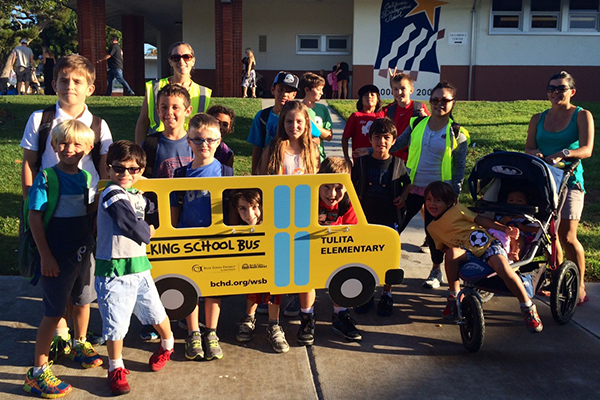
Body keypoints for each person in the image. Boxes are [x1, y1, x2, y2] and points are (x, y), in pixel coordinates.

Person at [20, 54, 114, 364]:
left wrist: (100, 213)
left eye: (77, 81)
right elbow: (28, 163)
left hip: (85, 214)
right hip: (50, 211)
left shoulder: (99, 126)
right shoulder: (41, 119)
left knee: (82, 283)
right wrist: (30, 202)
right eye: (63, 80)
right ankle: (59, 336)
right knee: (55, 280)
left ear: (90, 87)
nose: (69, 86)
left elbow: (103, 169)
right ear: (53, 84)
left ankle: (80, 340)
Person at [355, 81, 469, 290]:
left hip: (439, 192)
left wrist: (455, 193)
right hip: (411, 187)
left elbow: (459, 167)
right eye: (435, 99)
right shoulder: (417, 124)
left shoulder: (457, 133)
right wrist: (370, 151)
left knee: (434, 234)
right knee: (392, 229)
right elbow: (396, 144)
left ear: (453, 103)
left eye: (445, 100)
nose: (439, 104)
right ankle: (380, 269)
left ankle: (436, 270)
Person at [23, 120, 103, 399]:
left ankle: (79, 343)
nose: (69, 149)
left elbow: (84, 210)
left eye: (77, 144)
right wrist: (46, 256)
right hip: (56, 254)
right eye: (63, 143)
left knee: (83, 300)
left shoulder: (85, 178)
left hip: (82, 251)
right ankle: (38, 372)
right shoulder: (46, 177)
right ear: (54, 145)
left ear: (89, 148)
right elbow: (35, 217)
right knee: (54, 311)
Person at [95, 141, 174, 395]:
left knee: (156, 313)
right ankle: (115, 367)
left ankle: (167, 345)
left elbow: (155, 214)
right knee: (116, 324)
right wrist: (148, 230)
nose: (126, 174)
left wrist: (152, 219)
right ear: (109, 169)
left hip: (140, 267)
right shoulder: (111, 193)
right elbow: (130, 223)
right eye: (119, 168)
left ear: (141, 170)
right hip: (114, 271)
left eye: (133, 169)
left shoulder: (139, 195)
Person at [424, 181, 544, 333]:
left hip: (487, 245)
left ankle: (527, 307)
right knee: (451, 253)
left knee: (503, 269)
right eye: (428, 199)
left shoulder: (458, 210)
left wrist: (504, 229)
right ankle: (453, 298)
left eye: (437, 200)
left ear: (448, 202)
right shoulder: (431, 228)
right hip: (467, 253)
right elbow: (443, 247)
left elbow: (481, 220)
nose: (432, 204)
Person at [526, 71, 594, 306]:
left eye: (561, 88)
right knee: (549, 235)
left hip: (571, 180)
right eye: (551, 88)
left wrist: (564, 153)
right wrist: (537, 154)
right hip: (545, 181)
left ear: (571, 92)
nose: (556, 93)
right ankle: (558, 280)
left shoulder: (581, 115)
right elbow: (529, 149)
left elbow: (587, 149)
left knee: (567, 235)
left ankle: (579, 285)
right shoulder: (538, 118)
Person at [171, 113, 233, 361]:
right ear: (188, 141)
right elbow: (174, 209)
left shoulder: (226, 172)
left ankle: (211, 331)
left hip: (216, 240)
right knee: (191, 287)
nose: (204, 145)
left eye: (210, 139)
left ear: (219, 141)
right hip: (187, 239)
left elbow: (231, 210)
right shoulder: (180, 174)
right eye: (198, 140)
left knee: (213, 287)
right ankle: (193, 331)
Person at [257, 100, 320, 345]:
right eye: (289, 121)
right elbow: (261, 181)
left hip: (304, 218)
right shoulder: (274, 147)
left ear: (307, 124)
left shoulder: (313, 149)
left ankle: (307, 319)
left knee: (305, 273)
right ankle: (274, 324)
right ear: (282, 123)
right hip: (278, 219)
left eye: (299, 122)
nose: (294, 126)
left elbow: (317, 183)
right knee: (279, 272)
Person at [351, 118, 411, 316]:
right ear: (370, 139)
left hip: (389, 218)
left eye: (386, 138)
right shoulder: (361, 163)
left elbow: (408, 184)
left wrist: (402, 198)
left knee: (389, 258)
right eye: (377, 137)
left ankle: (387, 294)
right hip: (365, 219)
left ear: (394, 141)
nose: (381, 142)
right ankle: (366, 293)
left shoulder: (398, 164)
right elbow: (350, 186)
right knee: (364, 256)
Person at [232, 189, 290, 353]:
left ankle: (274, 324)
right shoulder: (239, 229)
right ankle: (249, 318)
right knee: (253, 282)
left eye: (254, 207)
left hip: (271, 266)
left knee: (273, 284)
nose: (249, 214)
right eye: (243, 208)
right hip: (252, 268)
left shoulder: (273, 225)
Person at [317, 156, 362, 340]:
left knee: (345, 268)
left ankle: (340, 313)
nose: (332, 194)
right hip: (310, 248)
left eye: (338, 188)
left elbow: (353, 232)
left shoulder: (348, 204)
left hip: (335, 249)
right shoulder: (308, 200)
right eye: (326, 186)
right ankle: (306, 314)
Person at [135, 41, 212, 145]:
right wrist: (140, 150)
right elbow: (143, 121)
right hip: (157, 146)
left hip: (189, 149)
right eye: (176, 58)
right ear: (170, 62)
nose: (181, 61)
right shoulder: (154, 87)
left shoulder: (203, 93)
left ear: (193, 61)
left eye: (186, 57)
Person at [247, 71, 321, 175]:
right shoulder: (263, 116)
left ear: (294, 94)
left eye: (289, 91)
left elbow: (316, 137)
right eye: (280, 90)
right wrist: (254, 176)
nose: (284, 94)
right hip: (273, 165)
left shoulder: (299, 115)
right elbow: (257, 148)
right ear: (273, 90)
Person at [384, 69, 429, 162]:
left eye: (403, 89)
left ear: (411, 90)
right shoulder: (390, 110)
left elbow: (431, 129)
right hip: (393, 157)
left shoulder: (419, 107)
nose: (399, 92)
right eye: (395, 89)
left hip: (412, 158)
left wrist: (425, 119)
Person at [487, 190, 539, 263]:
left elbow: (538, 230)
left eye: (519, 200)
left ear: (526, 203)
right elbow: (496, 223)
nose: (515, 203)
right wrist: (506, 221)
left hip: (518, 236)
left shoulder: (528, 220)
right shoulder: (502, 216)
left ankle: (515, 253)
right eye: (511, 200)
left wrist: (522, 227)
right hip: (502, 236)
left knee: (519, 239)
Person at [341, 84, 385, 166]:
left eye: (372, 94)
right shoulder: (356, 116)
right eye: (365, 95)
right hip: (360, 159)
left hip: (380, 159)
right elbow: (345, 138)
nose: (369, 96)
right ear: (361, 99)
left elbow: (397, 103)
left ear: (377, 99)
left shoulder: (383, 115)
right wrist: (347, 158)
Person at [300, 72, 333, 161]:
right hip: (301, 156)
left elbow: (329, 136)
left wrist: (312, 124)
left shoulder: (323, 109)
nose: (321, 93)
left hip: (318, 157)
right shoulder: (297, 109)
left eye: (322, 89)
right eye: (318, 89)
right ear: (307, 90)